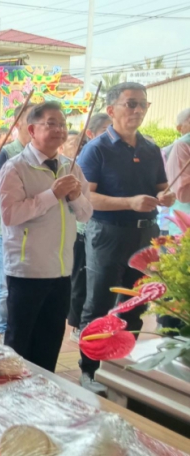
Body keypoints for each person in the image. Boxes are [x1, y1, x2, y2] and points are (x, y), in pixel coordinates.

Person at [76, 82, 175, 395]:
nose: (137, 111)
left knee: (135, 304)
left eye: (142, 105)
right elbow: (85, 198)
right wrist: (129, 202)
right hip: (107, 233)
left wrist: (166, 195)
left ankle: (121, 365)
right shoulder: (96, 149)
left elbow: (160, 186)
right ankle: (88, 369)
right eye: (130, 104)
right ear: (111, 110)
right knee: (100, 303)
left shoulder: (150, 148)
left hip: (146, 235)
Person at [0, 102, 93, 372]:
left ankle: (44, 396)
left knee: (50, 342)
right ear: (32, 129)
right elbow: (10, 215)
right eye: (50, 123)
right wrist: (53, 194)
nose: (59, 130)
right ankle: (11, 401)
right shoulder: (15, 168)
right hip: (27, 270)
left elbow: (85, 214)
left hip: (61, 270)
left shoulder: (70, 167)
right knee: (20, 344)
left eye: (62, 124)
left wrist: (74, 196)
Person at [0, 102, 37, 342]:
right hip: (8, 229)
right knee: (5, 281)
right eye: (31, 119)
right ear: (18, 123)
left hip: (37, 228)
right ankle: (2, 329)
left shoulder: (45, 154)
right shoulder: (7, 152)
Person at [68, 113, 112, 342]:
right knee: (80, 277)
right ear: (91, 133)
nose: (110, 132)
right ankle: (77, 324)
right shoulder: (90, 153)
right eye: (106, 129)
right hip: (84, 227)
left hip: (98, 226)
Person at [162, 108, 190, 332]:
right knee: (178, 284)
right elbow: (181, 193)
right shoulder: (182, 146)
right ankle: (171, 333)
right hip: (182, 228)